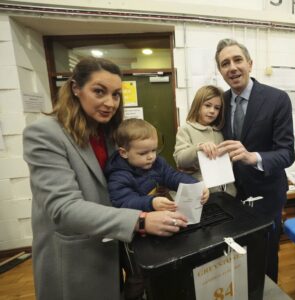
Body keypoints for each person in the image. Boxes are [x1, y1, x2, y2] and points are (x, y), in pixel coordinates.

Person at [23, 57, 188, 300]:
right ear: (75, 88)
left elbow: (125, 182)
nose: (109, 103)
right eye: (99, 91)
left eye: (116, 94)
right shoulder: (45, 133)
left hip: (112, 249)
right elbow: (63, 208)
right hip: (76, 256)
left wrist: (154, 194)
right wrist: (141, 220)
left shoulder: (111, 134)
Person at [214, 38, 295, 282]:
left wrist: (253, 157)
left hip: (266, 194)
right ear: (220, 71)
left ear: (250, 63)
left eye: (237, 60)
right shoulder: (221, 102)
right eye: (225, 63)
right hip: (232, 193)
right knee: (237, 256)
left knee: (265, 255)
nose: (232, 67)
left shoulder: (277, 99)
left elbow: (287, 153)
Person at [104, 118, 209, 300]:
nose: (151, 156)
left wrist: (196, 185)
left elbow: (173, 176)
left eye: (154, 150)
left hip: (157, 230)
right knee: (138, 278)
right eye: (143, 153)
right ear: (123, 152)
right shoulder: (118, 174)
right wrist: (151, 203)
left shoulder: (156, 163)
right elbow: (122, 202)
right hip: (133, 238)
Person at [173, 85, 236, 196]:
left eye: (217, 108)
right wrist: (198, 148)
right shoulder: (186, 129)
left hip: (226, 192)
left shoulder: (220, 131)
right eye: (207, 105)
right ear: (197, 105)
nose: (212, 111)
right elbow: (180, 159)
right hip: (201, 195)